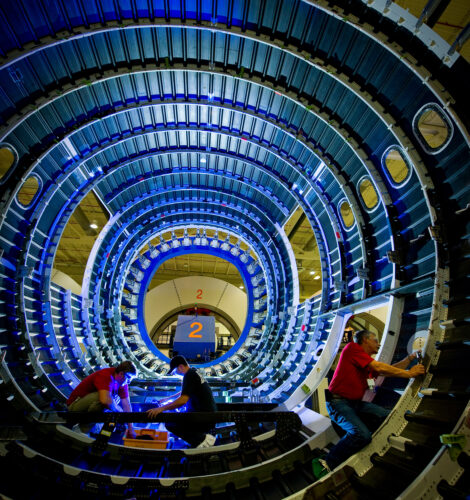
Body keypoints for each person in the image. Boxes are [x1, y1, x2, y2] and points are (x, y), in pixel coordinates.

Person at [312, 330, 426, 479]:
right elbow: (380, 368)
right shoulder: (352, 348)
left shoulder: (366, 364)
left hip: (355, 403)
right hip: (337, 403)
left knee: (389, 415)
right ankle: (326, 462)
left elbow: (388, 371)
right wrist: (410, 374)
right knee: (362, 434)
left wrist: (410, 358)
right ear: (365, 340)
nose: (378, 344)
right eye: (375, 340)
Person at [147, 355, 217, 448]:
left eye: (175, 371)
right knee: (175, 415)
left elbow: (183, 400)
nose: (175, 374)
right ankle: (197, 440)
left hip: (202, 418)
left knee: (170, 422)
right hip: (207, 415)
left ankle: (202, 440)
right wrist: (166, 400)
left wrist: (161, 409)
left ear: (180, 367)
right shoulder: (193, 372)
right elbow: (185, 392)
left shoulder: (189, 375)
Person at [67, 360, 137, 438]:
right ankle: (81, 428)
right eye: (129, 378)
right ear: (121, 374)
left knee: (112, 401)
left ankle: (91, 427)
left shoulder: (122, 383)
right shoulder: (106, 375)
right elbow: (105, 400)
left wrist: (131, 429)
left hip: (88, 407)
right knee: (104, 399)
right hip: (74, 406)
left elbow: (126, 405)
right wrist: (119, 411)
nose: (129, 382)